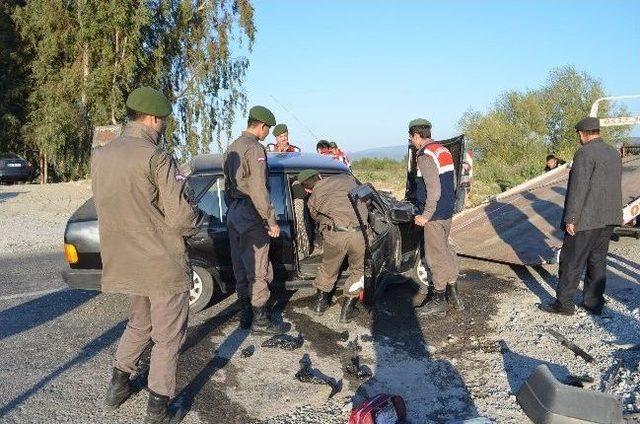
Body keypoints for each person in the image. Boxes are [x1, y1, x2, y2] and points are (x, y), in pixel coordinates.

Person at [92, 87, 200, 423]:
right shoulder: (156, 157)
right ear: (154, 119)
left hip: (127, 261)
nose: (164, 125)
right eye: (164, 120)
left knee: (140, 322)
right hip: (161, 262)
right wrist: (196, 218)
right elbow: (181, 217)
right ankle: (158, 410)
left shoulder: (101, 155)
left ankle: (117, 387)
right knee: (168, 337)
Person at [540, 117, 623, 316]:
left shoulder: (584, 153)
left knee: (571, 261)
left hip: (587, 218)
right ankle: (594, 303)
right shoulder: (613, 152)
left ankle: (564, 304)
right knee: (597, 260)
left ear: (581, 133)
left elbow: (579, 188)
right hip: (609, 217)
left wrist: (571, 218)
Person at [223, 105, 287, 334]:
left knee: (240, 265)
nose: (267, 133)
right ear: (261, 126)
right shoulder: (255, 148)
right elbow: (259, 189)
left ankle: (245, 315)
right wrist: (270, 220)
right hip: (251, 213)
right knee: (259, 269)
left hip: (234, 213)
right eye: (267, 129)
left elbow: (227, 186)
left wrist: (235, 209)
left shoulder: (232, 147)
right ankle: (261, 321)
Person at [408, 118, 464, 317]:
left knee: (434, 257)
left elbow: (434, 190)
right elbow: (454, 181)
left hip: (434, 214)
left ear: (416, 135)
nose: (412, 142)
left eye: (411, 138)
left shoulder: (424, 155)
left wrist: (425, 216)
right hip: (447, 211)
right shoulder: (443, 150)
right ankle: (454, 297)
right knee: (446, 251)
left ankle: (438, 301)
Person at [297, 169, 367, 323]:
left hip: (335, 235)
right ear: (320, 176)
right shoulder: (347, 179)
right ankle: (347, 310)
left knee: (328, 268)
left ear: (307, 189)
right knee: (359, 270)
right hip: (359, 234)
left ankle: (320, 305)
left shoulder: (312, 198)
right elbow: (366, 196)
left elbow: (316, 218)